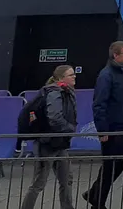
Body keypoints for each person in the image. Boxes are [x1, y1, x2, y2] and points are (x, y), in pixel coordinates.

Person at [84, 40, 123, 209]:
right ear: (116, 55)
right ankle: (98, 201)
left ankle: (93, 194)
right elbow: (100, 104)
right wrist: (102, 130)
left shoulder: (122, 73)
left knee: (121, 161)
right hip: (111, 128)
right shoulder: (107, 75)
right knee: (111, 165)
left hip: (121, 126)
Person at [20, 64, 78, 209]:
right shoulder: (54, 93)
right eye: (71, 75)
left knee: (66, 179)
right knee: (39, 182)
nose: (74, 77)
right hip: (48, 143)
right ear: (61, 78)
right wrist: (70, 128)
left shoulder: (66, 92)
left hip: (60, 143)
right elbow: (55, 118)